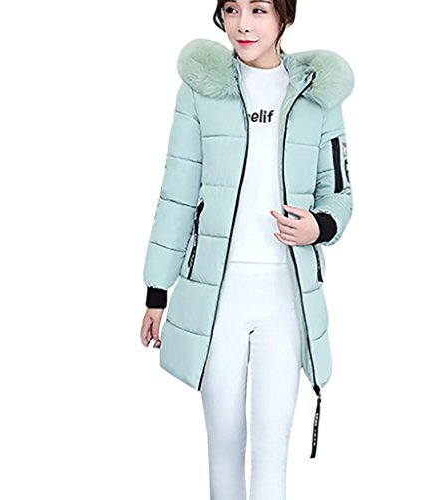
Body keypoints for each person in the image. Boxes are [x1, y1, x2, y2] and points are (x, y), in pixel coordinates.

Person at [140, 0, 354, 498]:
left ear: (284, 16)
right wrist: (156, 290)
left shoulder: (318, 94)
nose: (242, 24)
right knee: (224, 442)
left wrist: (319, 226)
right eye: (232, 9)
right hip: (217, 296)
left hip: (286, 295)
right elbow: (176, 192)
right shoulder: (201, 90)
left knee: (273, 446)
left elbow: (339, 192)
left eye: (258, 9)